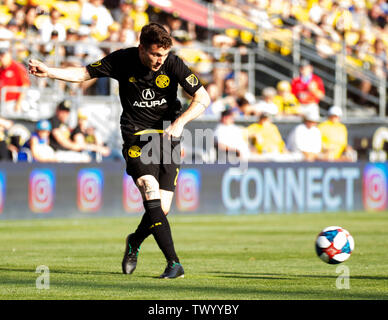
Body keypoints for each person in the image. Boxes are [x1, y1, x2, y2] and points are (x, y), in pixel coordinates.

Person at [28, 23, 211, 278]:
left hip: (168, 135)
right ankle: (174, 263)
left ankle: (134, 242)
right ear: (142, 48)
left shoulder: (174, 64)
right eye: (155, 54)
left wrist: (180, 122)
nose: (160, 60)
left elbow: (204, 98)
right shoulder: (122, 60)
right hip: (136, 135)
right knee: (150, 192)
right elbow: (83, 73)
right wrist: (49, 72)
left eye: (164, 55)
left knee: (163, 209)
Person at [0, 42, 30, 115]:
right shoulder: (1, 69)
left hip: (13, 103)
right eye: (0, 56)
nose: (1, 58)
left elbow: (25, 85)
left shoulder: (17, 67)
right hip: (2, 102)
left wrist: (19, 103)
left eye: (3, 56)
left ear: (9, 55)